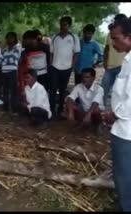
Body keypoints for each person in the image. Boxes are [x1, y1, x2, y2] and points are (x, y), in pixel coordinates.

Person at [101, 18, 131, 212]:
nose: (113, 43)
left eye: (116, 38)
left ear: (129, 37)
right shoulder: (127, 60)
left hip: (126, 131)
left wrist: (113, 114)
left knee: (124, 178)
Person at [49, 16, 80, 118]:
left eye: (65, 24)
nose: (62, 26)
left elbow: (76, 53)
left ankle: (60, 110)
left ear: (69, 25)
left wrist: (72, 66)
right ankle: (51, 110)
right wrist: (50, 64)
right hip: (54, 67)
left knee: (63, 90)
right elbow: (51, 53)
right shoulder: (54, 37)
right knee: (53, 89)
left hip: (67, 68)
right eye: (61, 24)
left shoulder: (74, 37)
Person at [66, 68, 104, 132]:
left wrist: (89, 114)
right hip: (84, 111)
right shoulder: (78, 87)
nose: (84, 79)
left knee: (96, 110)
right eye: (83, 77)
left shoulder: (99, 89)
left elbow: (95, 102)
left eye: (87, 77)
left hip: (95, 112)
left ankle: (98, 125)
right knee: (70, 106)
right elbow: (70, 98)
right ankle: (82, 123)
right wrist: (70, 113)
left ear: (93, 78)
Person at [101, 13, 128, 106]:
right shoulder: (110, 33)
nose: (114, 43)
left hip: (123, 67)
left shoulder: (127, 35)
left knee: (122, 92)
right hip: (111, 67)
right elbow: (107, 48)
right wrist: (105, 62)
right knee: (103, 90)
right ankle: (102, 111)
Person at [0, 32, 21, 113]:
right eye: (8, 38)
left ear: (15, 39)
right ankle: (5, 106)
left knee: (14, 91)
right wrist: (5, 60)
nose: (9, 39)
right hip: (4, 71)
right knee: (5, 90)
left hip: (13, 71)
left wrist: (5, 60)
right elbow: (0, 60)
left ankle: (14, 108)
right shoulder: (4, 49)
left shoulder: (18, 47)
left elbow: (15, 58)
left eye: (11, 37)